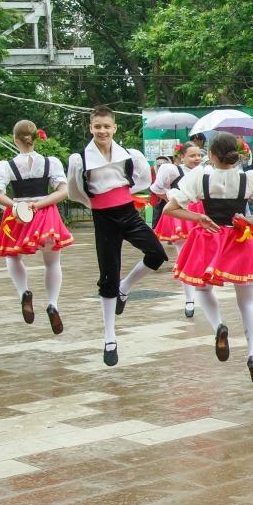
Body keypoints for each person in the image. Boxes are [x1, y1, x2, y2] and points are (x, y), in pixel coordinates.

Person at [164, 134, 253, 387]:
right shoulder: (251, 178)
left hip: (210, 237)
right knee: (247, 302)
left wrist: (199, 218)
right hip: (239, 240)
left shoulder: (200, 177)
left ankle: (219, 327)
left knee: (202, 289)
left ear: (211, 155)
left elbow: (169, 209)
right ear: (237, 153)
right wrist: (247, 220)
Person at [66, 106, 168, 366]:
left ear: (114, 128)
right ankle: (109, 337)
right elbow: (75, 192)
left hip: (128, 213)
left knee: (157, 254)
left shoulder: (129, 155)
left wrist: (120, 194)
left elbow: (142, 180)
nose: (102, 131)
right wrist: (97, 204)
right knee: (108, 275)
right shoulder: (80, 159)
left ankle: (126, 287)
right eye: (97, 126)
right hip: (103, 218)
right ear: (90, 127)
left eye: (106, 126)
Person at [0, 120, 73, 333]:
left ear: (15, 139)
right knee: (52, 261)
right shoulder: (50, 162)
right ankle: (53, 304)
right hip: (45, 213)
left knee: (13, 256)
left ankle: (24, 292)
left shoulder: (6, 166)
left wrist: (16, 205)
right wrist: (39, 204)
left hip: (19, 214)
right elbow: (63, 191)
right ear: (37, 138)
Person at [151, 142, 205, 318]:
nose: (197, 158)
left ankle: (203, 293)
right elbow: (156, 188)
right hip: (180, 215)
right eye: (192, 155)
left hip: (201, 214)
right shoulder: (172, 170)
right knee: (184, 256)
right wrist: (171, 199)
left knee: (202, 255)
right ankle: (189, 299)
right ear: (182, 157)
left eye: (199, 155)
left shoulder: (205, 171)